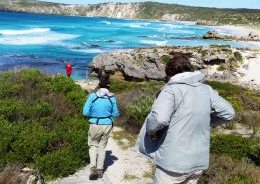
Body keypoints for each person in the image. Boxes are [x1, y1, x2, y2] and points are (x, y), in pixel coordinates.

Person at [134, 54, 235, 184]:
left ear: (169, 74)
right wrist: (205, 121)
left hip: (173, 164)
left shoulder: (171, 90)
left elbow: (159, 119)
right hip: (198, 162)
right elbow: (229, 113)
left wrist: (152, 132)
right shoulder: (206, 89)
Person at [82, 76, 119, 180]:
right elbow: (116, 113)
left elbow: (85, 112)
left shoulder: (93, 96)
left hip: (95, 123)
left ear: (99, 85)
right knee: (102, 147)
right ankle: (99, 170)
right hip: (107, 124)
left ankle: (93, 169)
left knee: (93, 145)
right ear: (109, 86)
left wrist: (94, 113)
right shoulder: (112, 98)